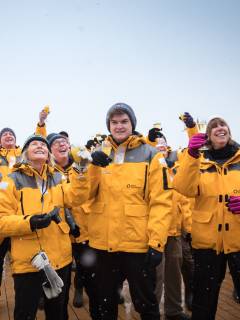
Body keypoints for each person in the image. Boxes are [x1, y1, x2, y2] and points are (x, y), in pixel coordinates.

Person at [87, 102, 173, 320]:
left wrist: (156, 242)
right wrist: (90, 168)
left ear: (132, 123)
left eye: (124, 121)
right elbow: (83, 195)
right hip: (103, 244)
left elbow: (161, 201)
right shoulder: (98, 154)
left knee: (146, 304)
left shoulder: (151, 154)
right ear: (108, 125)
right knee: (105, 304)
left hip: (138, 243)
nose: (119, 126)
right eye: (114, 122)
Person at [0, 134, 91, 320]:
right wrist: (29, 222)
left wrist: (81, 170)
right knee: (25, 314)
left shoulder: (58, 178)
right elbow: (2, 221)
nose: (40, 146)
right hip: (28, 263)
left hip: (60, 260)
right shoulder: (11, 180)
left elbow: (77, 197)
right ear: (25, 153)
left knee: (57, 314)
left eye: (43, 144)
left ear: (49, 154)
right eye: (34, 143)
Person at [173, 117, 240, 320]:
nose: (220, 128)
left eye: (223, 125)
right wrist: (192, 155)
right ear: (208, 136)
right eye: (214, 127)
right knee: (204, 301)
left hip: (238, 241)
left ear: (228, 131)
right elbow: (183, 187)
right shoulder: (198, 162)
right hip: (207, 243)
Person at [147, 128, 191, 320]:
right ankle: (153, 312)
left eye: (163, 142)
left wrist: (187, 228)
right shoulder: (148, 166)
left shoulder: (176, 170)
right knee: (155, 276)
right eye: (156, 143)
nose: (161, 145)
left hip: (174, 232)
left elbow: (184, 202)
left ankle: (174, 310)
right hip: (154, 231)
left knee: (174, 275)